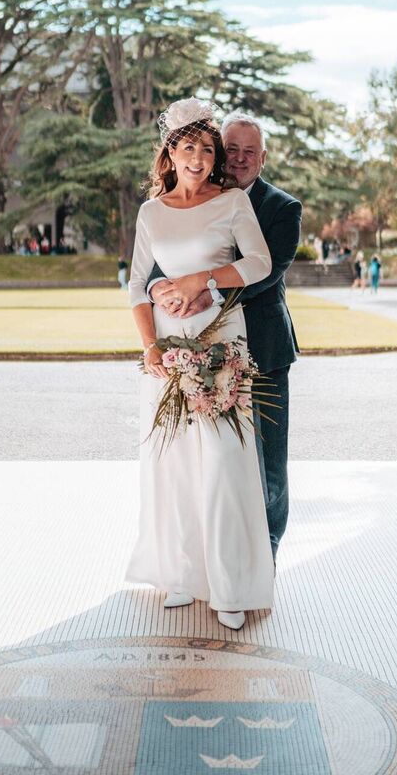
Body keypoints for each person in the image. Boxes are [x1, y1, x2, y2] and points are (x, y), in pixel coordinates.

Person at [127, 98, 275, 631]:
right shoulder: (151, 212)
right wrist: (149, 348)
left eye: (207, 149)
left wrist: (202, 281)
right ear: (170, 152)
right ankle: (183, 576)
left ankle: (231, 586)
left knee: (223, 462)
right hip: (168, 347)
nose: (198, 157)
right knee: (176, 463)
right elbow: (136, 283)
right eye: (187, 147)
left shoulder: (233, 203)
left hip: (220, 339)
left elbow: (259, 262)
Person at [150, 110, 301, 567]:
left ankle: (267, 553)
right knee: (218, 458)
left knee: (268, 462)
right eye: (230, 149)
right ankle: (217, 553)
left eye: (248, 151)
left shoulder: (282, 207)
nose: (238, 159)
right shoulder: (196, 199)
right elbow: (166, 256)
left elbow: (267, 273)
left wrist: (205, 291)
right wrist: (160, 287)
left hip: (265, 346)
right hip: (204, 347)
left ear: (263, 158)